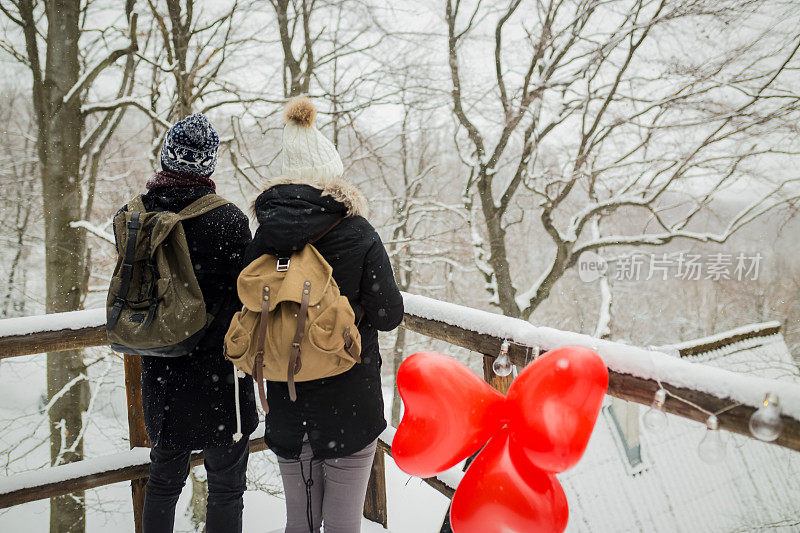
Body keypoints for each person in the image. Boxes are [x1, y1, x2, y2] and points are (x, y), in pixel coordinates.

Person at [245, 97, 404, 533]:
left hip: (288, 396)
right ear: (331, 175)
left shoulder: (265, 237)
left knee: (299, 521)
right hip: (350, 399)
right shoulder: (357, 232)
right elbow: (389, 314)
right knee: (343, 524)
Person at [119, 113, 259, 533]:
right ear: (208, 165)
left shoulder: (136, 216)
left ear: (167, 157)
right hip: (219, 373)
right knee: (226, 485)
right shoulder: (228, 220)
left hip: (162, 367)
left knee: (163, 481)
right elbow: (247, 293)